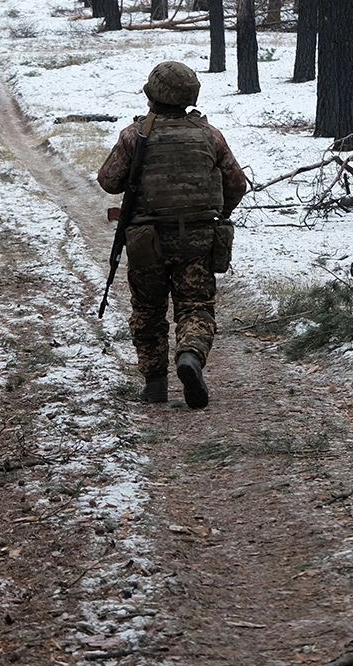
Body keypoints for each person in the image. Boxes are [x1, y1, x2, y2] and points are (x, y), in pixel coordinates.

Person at [96, 61, 246, 410]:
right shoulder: (210, 136)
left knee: (148, 310)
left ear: (152, 96)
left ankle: (154, 384)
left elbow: (108, 181)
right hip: (198, 240)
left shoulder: (135, 136)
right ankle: (190, 356)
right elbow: (236, 184)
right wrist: (219, 215)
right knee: (195, 307)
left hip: (148, 241)